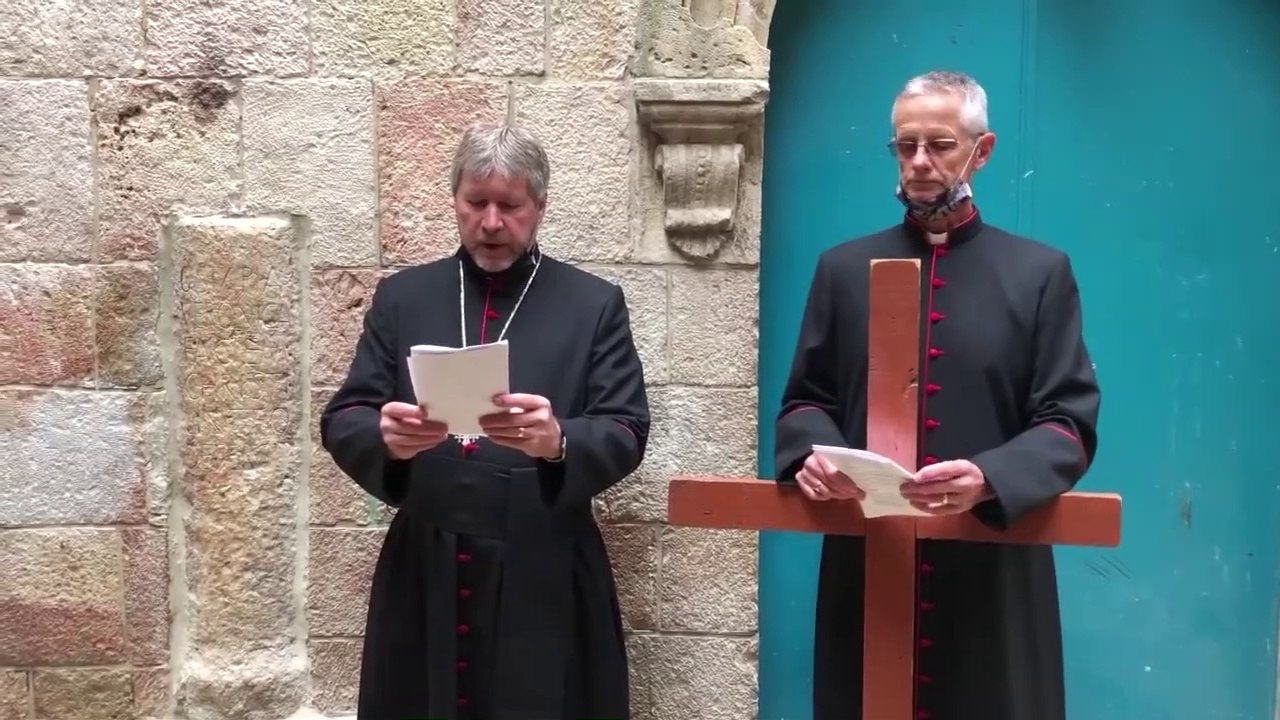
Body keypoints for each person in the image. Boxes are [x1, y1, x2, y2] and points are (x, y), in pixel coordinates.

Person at [773, 70, 1102, 720]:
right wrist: (818, 455)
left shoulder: (1039, 275)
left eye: (939, 144)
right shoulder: (843, 270)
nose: (919, 162)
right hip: (869, 566)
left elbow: (1068, 423)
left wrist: (987, 477)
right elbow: (805, 403)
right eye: (905, 145)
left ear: (982, 151)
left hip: (993, 577)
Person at [321, 123, 650, 719]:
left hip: (545, 564)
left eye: (510, 206)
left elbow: (626, 428)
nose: (491, 222)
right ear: (455, 201)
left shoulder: (593, 304)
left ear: (540, 208)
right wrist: (385, 438)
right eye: (476, 203)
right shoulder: (404, 298)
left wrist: (558, 440)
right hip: (427, 564)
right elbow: (344, 415)